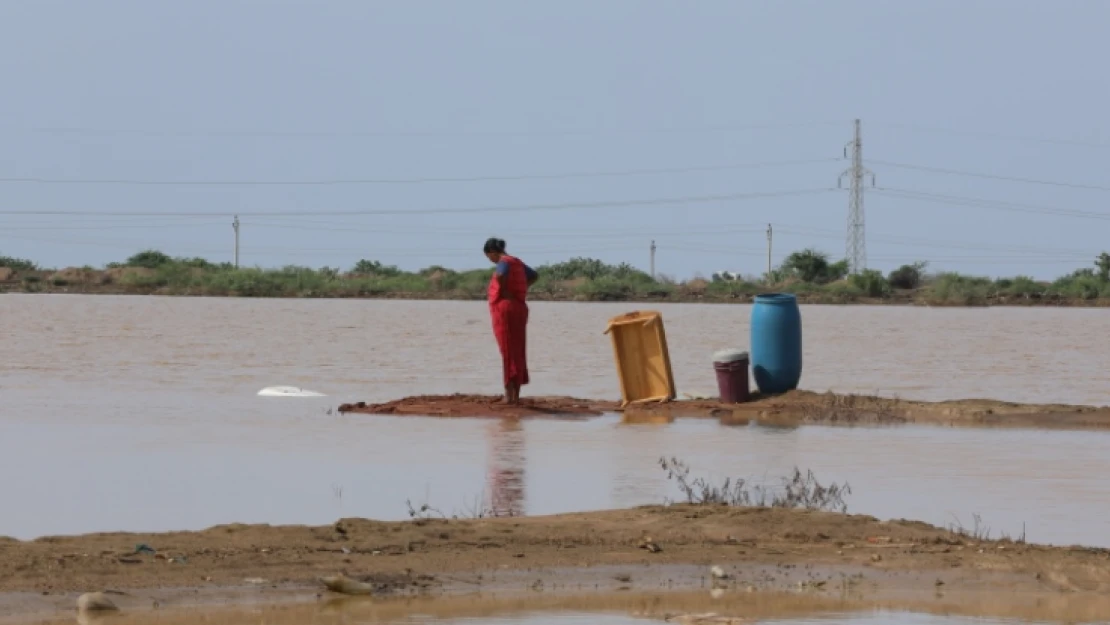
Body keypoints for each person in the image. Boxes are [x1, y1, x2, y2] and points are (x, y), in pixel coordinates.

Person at [484, 237, 538, 405]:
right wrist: (521, 289)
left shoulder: (503, 262)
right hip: (519, 307)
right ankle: (515, 396)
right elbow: (534, 275)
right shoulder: (517, 262)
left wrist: (505, 291)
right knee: (518, 350)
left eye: (489, 256)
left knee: (507, 351)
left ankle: (509, 396)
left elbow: (500, 274)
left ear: (493, 252)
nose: (490, 260)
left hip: (506, 308)